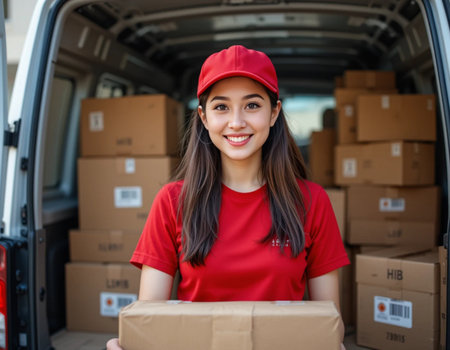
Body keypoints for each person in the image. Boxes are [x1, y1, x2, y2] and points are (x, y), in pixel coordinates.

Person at [107, 45, 350, 350]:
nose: (236, 122)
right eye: (221, 107)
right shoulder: (172, 202)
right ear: (204, 117)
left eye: (252, 105)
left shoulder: (311, 201)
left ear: (274, 113)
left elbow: (328, 324)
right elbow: (150, 320)